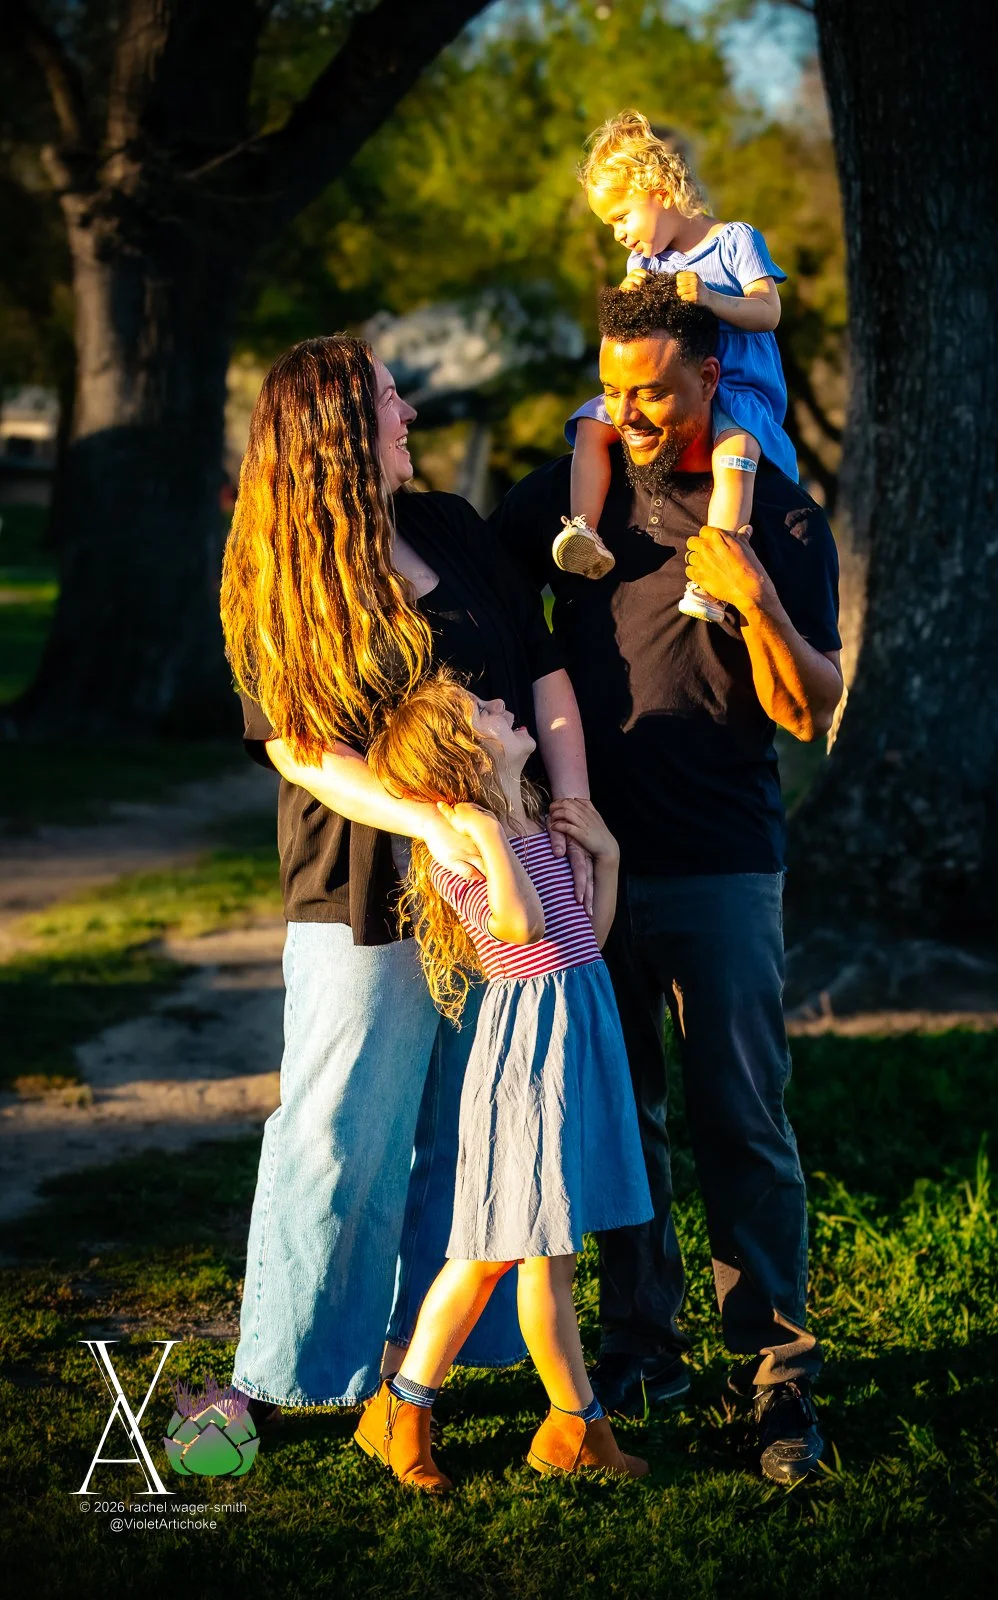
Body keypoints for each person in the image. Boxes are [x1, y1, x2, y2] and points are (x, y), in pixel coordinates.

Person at [490, 274, 844, 1484]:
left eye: (654, 390)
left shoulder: (780, 517)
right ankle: (645, 1348)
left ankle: (779, 1383)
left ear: (708, 375)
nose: (631, 410)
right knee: (618, 1124)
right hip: (586, 868)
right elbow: (474, 597)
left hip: (722, 866)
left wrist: (750, 601)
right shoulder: (577, 496)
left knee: (740, 1121)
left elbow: (810, 708)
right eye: (615, 387)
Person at [219, 334, 593, 1413]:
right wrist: (432, 821)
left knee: (478, 1119)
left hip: (511, 868)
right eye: (388, 397)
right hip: (363, 892)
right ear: (336, 428)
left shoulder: (448, 526)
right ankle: (293, 1376)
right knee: (338, 1130)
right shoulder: (274, 569)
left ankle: (441, 1357)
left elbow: (544, 666)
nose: (407, 412)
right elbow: (299, 747)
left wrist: (567, 809)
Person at [354, 672, 651, 1491]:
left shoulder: (528, 818)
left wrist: (608, 858)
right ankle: (402, 1409)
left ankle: (574, 1428)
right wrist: (487, 834)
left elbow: (579, 937)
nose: (501, 707)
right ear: (460, 753)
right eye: (482, 712)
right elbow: (514, 927)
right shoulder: (457, 843)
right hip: (527, 1054)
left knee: (546, 1255)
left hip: (578, 1029)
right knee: (492, 1253)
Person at [554, 109, 796, 627]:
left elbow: (768, 312)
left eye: (621, 217)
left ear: (660, 190)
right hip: (667, 394)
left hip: (733, 389)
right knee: (592, 425)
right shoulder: (645, 263)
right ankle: (583, 530)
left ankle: (712, 579)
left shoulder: (734, 241)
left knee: (734, 458)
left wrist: (712, 299)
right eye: (609, 224)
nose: (618, 234)